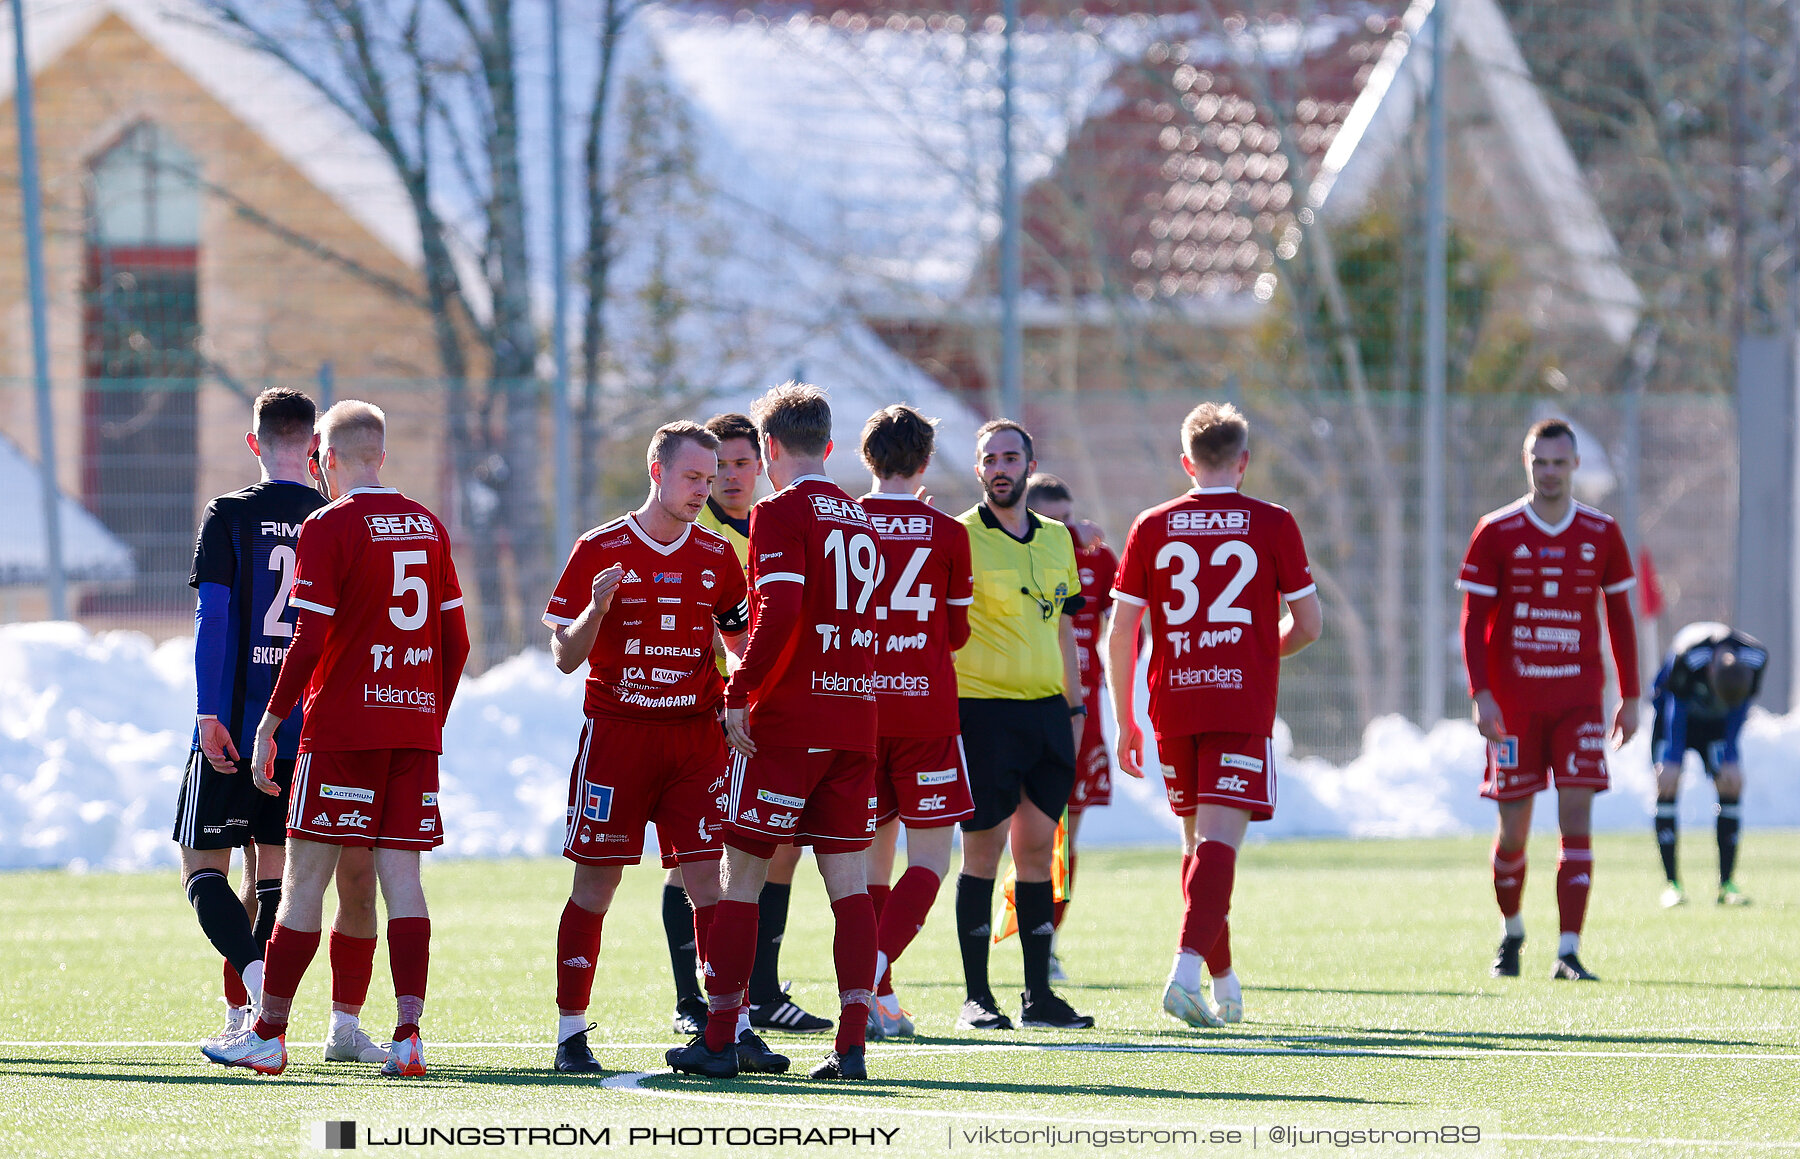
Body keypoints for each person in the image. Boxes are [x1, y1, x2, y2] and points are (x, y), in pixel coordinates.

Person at [202, 400, 470, 1076]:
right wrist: (425, 713)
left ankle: (268, 1033)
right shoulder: (429, 527)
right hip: (411, 732)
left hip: (343, 731)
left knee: (303, 882)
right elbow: (457, 640)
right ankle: (408, 1034)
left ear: (325, 458)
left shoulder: (329, 524)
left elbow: (310, 636)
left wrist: (270, 719)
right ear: (381, 454)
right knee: (402, 882)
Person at [667, 382, 880, 1081]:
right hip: (854, 718)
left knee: (743, 876)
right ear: (827, 444)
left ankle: (721, 1035)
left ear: (770, 449)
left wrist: (739, 688)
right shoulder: (859, 516)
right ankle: (851, 1043)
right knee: (849, 885)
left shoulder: (779, 512)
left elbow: (781, 612)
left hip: (789, 723)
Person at [175, 387, 386, 1064]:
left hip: (236, 725)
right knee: (273, 878)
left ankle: (256, 998)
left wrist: (210, 711)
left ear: (254, 442)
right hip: (307, 732)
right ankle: (256, 1020)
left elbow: (215, 618)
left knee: (203, 871)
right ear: (317, 450)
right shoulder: (336, 517)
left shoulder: (230, 514)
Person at [542, 422, 759, 1073]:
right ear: (656, 470)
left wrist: (742, 698)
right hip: (618, 738)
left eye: (713, 475)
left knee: (708, 884)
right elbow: (563, 656)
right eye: (694, 476)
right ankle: (570, 1032)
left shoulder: (718, 556)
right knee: (595, 884)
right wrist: (595, 612)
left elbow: (739, 639)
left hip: (693, 740)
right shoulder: (599, 548)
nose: (708, 487)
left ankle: (731, 1025)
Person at [1104, 402, 1320, 1028]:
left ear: (1186, 463)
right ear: (1244, 462)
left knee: (1197, 846)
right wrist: (1259, 649)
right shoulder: (1273, 522)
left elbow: (1122, 631)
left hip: (1174, 699)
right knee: (1219, 846)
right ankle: (1184, 974)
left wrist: (1126, 719)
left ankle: (1221, 981)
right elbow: (1309, 625)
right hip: (1237, 699)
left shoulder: (1152, 523)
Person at [1458, 418, 1639, 982]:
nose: (1551, 472)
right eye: (1541, 462)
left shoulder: (1602, 532)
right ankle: (1512, 933)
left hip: (1579, 701)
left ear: (1576, 466)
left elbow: (1621, 619)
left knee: (1576, 818)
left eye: (1560, 463)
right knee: (1513, 829)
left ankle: (1568, 950)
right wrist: (1481, 694)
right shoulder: (1496, 530)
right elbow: (1473, 622)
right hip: (1513, 707)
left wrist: (1630, 696)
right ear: (1526, 463)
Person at [668, 412, 830, 1037]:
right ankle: (694, 997)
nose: (731, 478)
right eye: (721, 467)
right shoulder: (693, 527)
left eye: (742, 464)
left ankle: (761, 990)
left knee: (775, 850)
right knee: (696, 859)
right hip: (700, 708)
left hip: (758, 714)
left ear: (763, 461)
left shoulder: (781, 521)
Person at [951, 420, 1092, 1032]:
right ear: (979, 469)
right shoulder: (958, 536)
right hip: (982, 713)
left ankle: (1039, 997)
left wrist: (1077, 709)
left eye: (1011, 457)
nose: (1000, 467)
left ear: (1030, 465)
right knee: (982, 852)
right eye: (990, 459)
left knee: (1039, 850)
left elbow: (1063, 628)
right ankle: (977, 997)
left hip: (1046, 716)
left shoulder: (1058, 538)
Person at [857, 404, 975, 1039]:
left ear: (864, 458)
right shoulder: (947, 533)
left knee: (872, 862)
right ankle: (868, 976)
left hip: (856, 709)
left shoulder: (840, 524)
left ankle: (881, 998)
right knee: (930, 859)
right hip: (924, 706)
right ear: (925, 462)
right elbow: (955, 633)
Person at [1023, 473, 1117, 981]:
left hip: (1084, 715)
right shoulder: (1011, 554)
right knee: (1019, 834)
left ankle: (1048, 940)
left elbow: (1124, 625)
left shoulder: (1097, 558)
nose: (1063, 529)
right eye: (1051, 520)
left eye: (1068, 518)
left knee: (1066, 836)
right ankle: (1008, 934)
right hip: (1021, 705)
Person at [1650, 622, 1766, 907]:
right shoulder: (1688, 655)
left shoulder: (1756, 657)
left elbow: (1739, 707)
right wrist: (1673, 758)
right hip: (1674, 717)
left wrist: (1730, 756)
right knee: (1667, 783)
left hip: (1716, 723)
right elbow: (1675, 704)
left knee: (1731, 782)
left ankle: (1726, 884)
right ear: (1710, 672)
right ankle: (1672, 884)